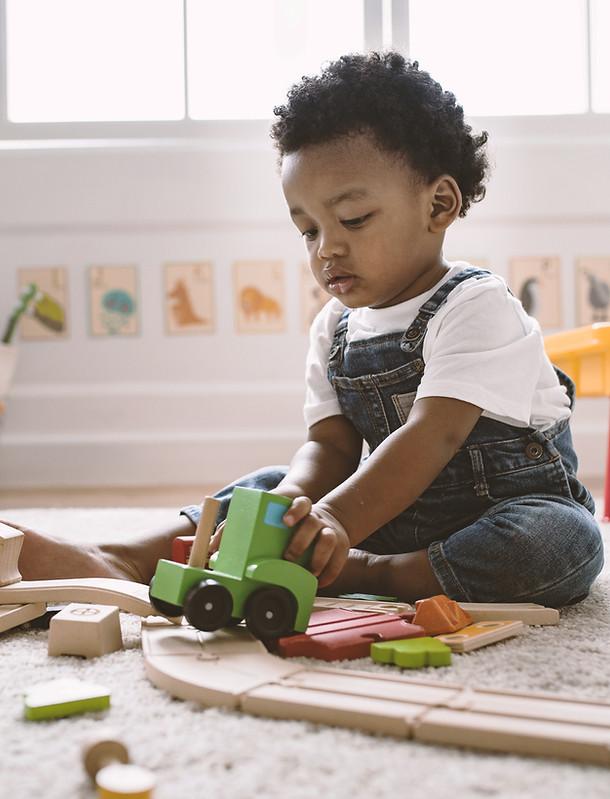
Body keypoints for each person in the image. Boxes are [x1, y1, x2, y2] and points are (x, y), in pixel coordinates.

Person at [6, 51, 603, 606]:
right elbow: (331, 448)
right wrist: (293, 503)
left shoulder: (477, 305)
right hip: (385, 514)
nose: (327, 248)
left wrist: (339, 522)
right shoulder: (335, 327)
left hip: (499, 511)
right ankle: (124, 560)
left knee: (556, 542)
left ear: (439, 205)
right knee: (266, 487)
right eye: (308, 230)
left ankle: (367, 574)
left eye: (353, 219)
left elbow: (432, 438)